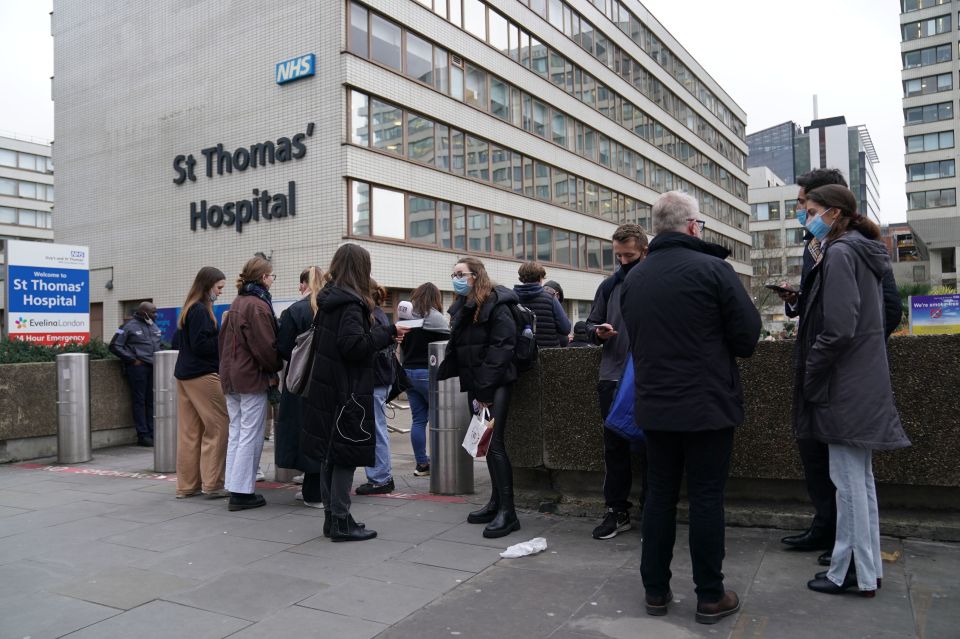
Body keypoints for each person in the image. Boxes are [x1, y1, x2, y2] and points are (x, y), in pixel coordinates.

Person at [620, 191, 760, 624]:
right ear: (694, 226)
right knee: (704, 498)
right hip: (707, 406)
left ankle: (656, 592)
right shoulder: (714, 270)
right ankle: (710, 595)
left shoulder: (635, 279)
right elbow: (748, 338)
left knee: (658, 496)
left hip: (656, 407)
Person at [777, 169, 902, 564]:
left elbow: (874, 313)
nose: (801, 212)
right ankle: (829, 530)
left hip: (842, 375)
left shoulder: (850, 248)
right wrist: (797, 301)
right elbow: (825, 303)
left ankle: (849, 555)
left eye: (805, 204)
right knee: (823, 463)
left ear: (831, 208)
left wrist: (849, 360)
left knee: (850, 477)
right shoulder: (817, 245)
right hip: (826, 368)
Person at [300, 244, 409, 542]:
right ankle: (341, 521)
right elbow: (352, 346)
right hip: (346, 392)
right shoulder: (351, 304)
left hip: (327, 388)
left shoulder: (329, 300)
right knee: (344, 457)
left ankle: (333, 519)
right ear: (362, 268)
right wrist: (387, 333)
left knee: (330, 456)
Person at [438, 256, 521, 539]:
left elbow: (502, 347)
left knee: (495, 445)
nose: (456, 278)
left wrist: (484, 389)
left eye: (461, 273)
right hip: (478, 383)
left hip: (493, 384)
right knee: (485, 444)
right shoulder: (466, 305)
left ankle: (508, 513)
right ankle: (496, 503)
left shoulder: (497, 302)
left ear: (476, 275)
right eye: (453, 274)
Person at [584, 223, 649, 540]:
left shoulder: (656, 281)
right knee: (615, 447)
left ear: (644, 251)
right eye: (619, 255)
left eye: (630, 255)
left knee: (653, 446)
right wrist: (597, 332)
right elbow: (590, 324)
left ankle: (653, 508)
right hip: (612, 375)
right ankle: (616, 509)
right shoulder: (609, 286)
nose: (623, 261)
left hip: (649, 376)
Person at [218, 256, 283, 511]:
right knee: (250, 434)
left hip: (231, 377)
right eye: (271, 276)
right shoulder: (257, 305)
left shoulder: (237, 302)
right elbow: (265, 346)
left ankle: (234, 485)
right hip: (250, 377)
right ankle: (242, 492)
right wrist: (275, 365)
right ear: (263, 278)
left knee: (237, 432)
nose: (272, 281)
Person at [173, 267, 229, 499]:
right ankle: (213, 483)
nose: (220, 293)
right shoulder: (200, 311)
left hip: (185, 375)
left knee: (190, 432)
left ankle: (187, 486)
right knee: (219, 426)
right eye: (219, 288)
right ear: (207, 286)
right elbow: (201, 345)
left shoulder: (189, 309)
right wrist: (223, 334)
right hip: (202, 375)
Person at [276, 266, 324, 508]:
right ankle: (319, 488)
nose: (298, 288)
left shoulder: (295, 310)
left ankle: (311, 491)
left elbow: (283, 348)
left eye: (300, 283)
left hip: (299, 380)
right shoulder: (330, 307)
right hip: (327, 381)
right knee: (322, 433)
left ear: (306, 284)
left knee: (300, 430)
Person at [399, 282, 451, 477]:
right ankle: (445, 462)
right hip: (428, 373)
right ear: (435, 298)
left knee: (418, 420)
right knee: (442, 419)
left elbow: (401, 347)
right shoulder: (436, 318)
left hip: (408, 373)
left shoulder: (405, 318)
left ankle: (422, 464)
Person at [355, 281, 397, 495]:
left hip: (375, 379)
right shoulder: (379, 314)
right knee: (376, 427)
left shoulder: (372, 317)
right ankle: (380, 475)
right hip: (380, 378)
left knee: (376, 429)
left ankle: (380, 478)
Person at [110, 301, 163, 447]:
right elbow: (114, 345)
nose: (155, 314)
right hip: (138, 368)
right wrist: (132, 359)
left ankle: (152, 432)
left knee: (151, 400)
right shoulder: (126, 327)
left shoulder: (153, 325)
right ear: (143, 312)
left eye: (155, 311)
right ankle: (143, 435)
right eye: (153, 312)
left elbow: (159, 344)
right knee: (140, 401)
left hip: (153, 367)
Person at [513, 262, 571, 348]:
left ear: (521, 278)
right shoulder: (551, 298)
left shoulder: (512, 298)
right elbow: (565, 328)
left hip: (521, 354)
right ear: (540, 277)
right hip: (549, 355)